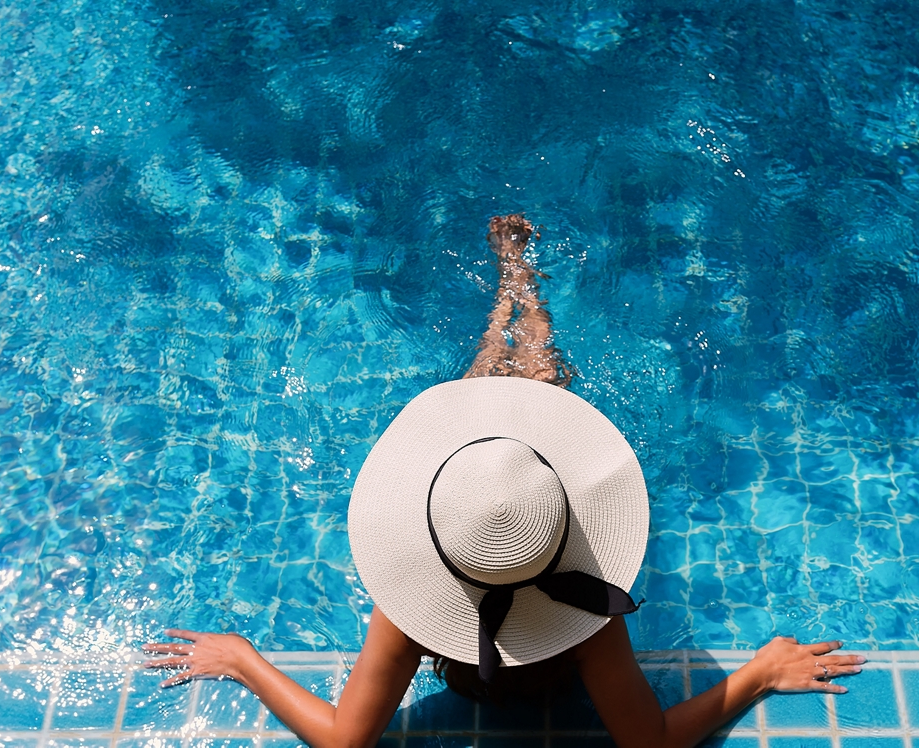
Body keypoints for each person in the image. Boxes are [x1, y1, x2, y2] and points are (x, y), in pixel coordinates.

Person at [142, 215, 865, 747]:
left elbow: (343, 742)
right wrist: (759, 674)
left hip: (484, 615)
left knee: (481, 451)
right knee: (525, 427)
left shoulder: (407, 606)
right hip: (550, 600)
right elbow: (650, 743)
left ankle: (508, 293)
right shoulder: (589, 607)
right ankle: (522, 288)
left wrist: (241, 657)